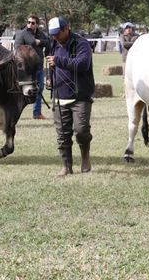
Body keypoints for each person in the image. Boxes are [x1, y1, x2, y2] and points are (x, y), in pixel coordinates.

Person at [46, 16, 95, 177]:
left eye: (57, 33)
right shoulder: (53, 44)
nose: (54, 37)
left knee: (81, 130)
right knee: (62, 134)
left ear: (67, 29)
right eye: (52, 34)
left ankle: (85, 157)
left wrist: (58, 60)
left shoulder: (82, 44)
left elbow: (82, 64)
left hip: (80, 95)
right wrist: (49, 78)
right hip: (59, 95)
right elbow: (51, 65)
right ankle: (66, 166)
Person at [14, 15, 50, 119]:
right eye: (29, 22)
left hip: (37, 67)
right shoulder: (23, 33)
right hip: (24, 70)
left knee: (39, 89)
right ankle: (15, 112)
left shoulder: (39, 33)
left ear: (37, 25)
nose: (30, 24)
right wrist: (38, 42)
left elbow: (48, 42)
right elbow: (32, 42)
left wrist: (40, 42)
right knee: (19, 92)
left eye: (33, 23)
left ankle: (37, 113)